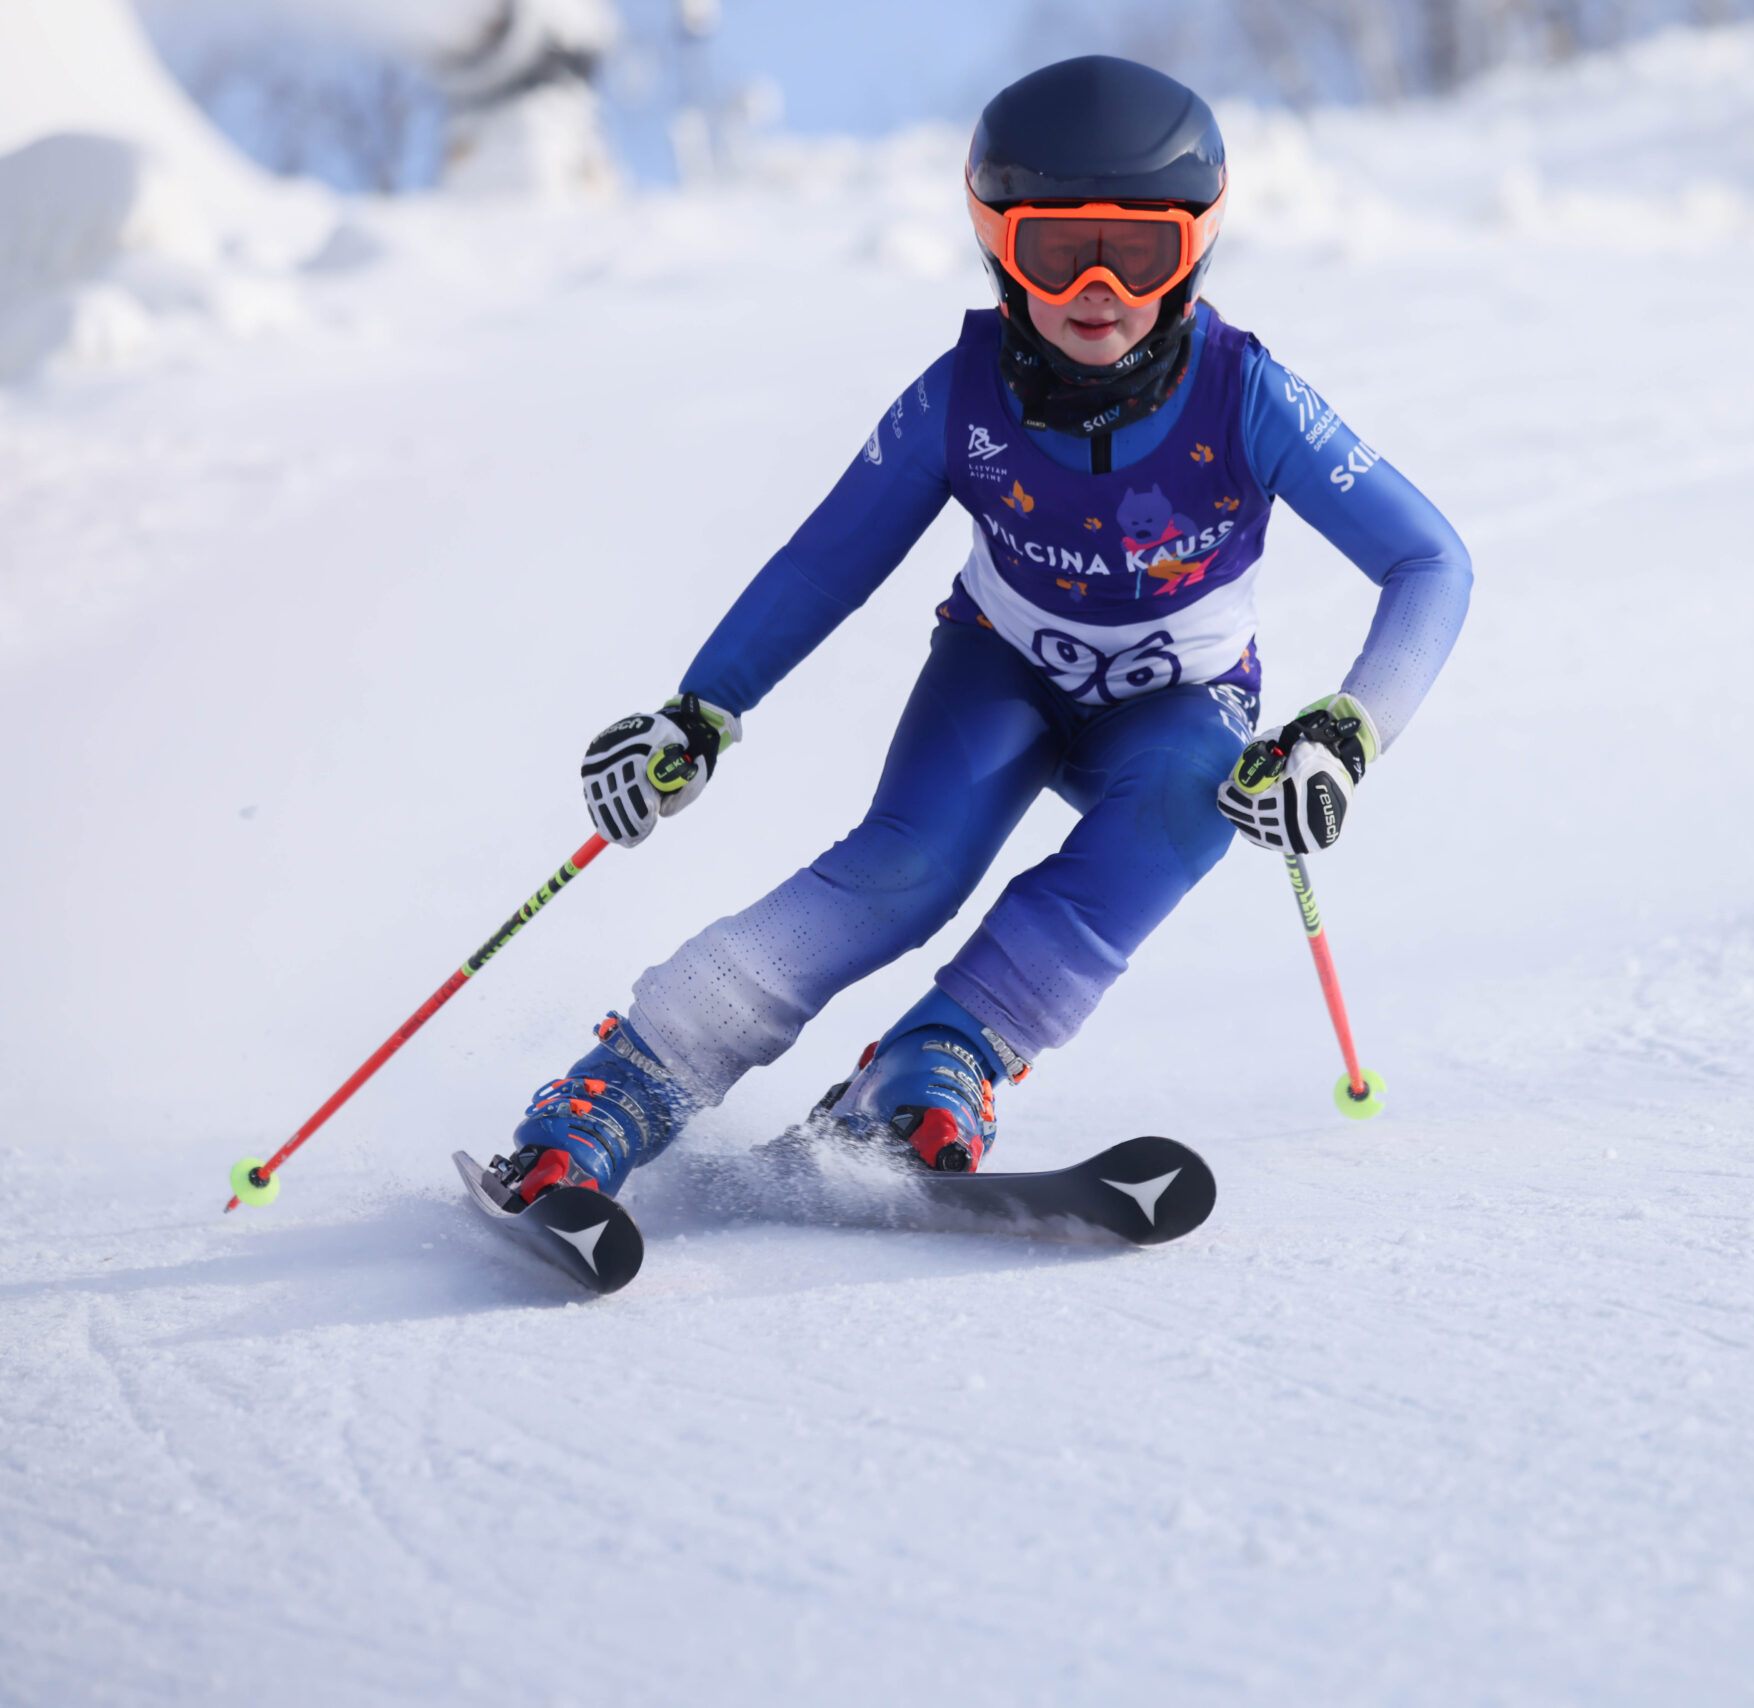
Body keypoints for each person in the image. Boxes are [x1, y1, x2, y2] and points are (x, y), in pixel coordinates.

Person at [493, 55, 1471, 1208]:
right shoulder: (962, 398)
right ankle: (626, 1083)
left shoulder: (1242, 395)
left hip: (1178, 702)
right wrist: (701, 709)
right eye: (1055, 251)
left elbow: (1430, 561)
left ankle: (938, 1056)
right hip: (1000, 673)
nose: (1096, 288)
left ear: (1195, 249)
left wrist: (1346, 732)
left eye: (1137, 252)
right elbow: (827, 559)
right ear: (995, 244)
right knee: (907, 867)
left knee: (1188, 806)